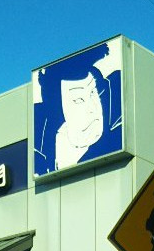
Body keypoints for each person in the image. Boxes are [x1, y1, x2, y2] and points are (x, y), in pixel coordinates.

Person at [34, 41, 122, 175]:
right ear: (59, 109)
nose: (92, 107)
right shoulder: (38, 152)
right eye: (78, 100)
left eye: (93, 93)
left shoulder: (118, 137)